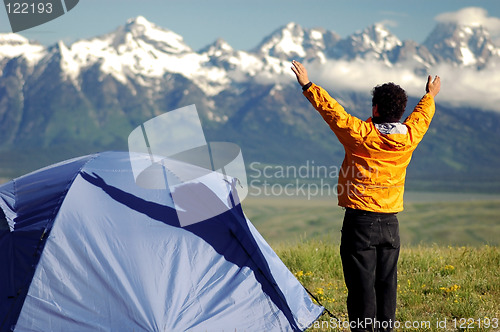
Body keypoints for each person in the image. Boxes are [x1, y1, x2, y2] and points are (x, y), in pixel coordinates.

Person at [291, 60, 440, 332]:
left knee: (361, 289)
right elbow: (422, 118)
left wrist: (308, 86)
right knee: (386, 286)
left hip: (360, 223)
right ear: (400, 111)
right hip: (391, 224)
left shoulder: (361, 135)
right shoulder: (409, 137)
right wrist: (429, 96)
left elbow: (333, 112)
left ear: (375, 109)